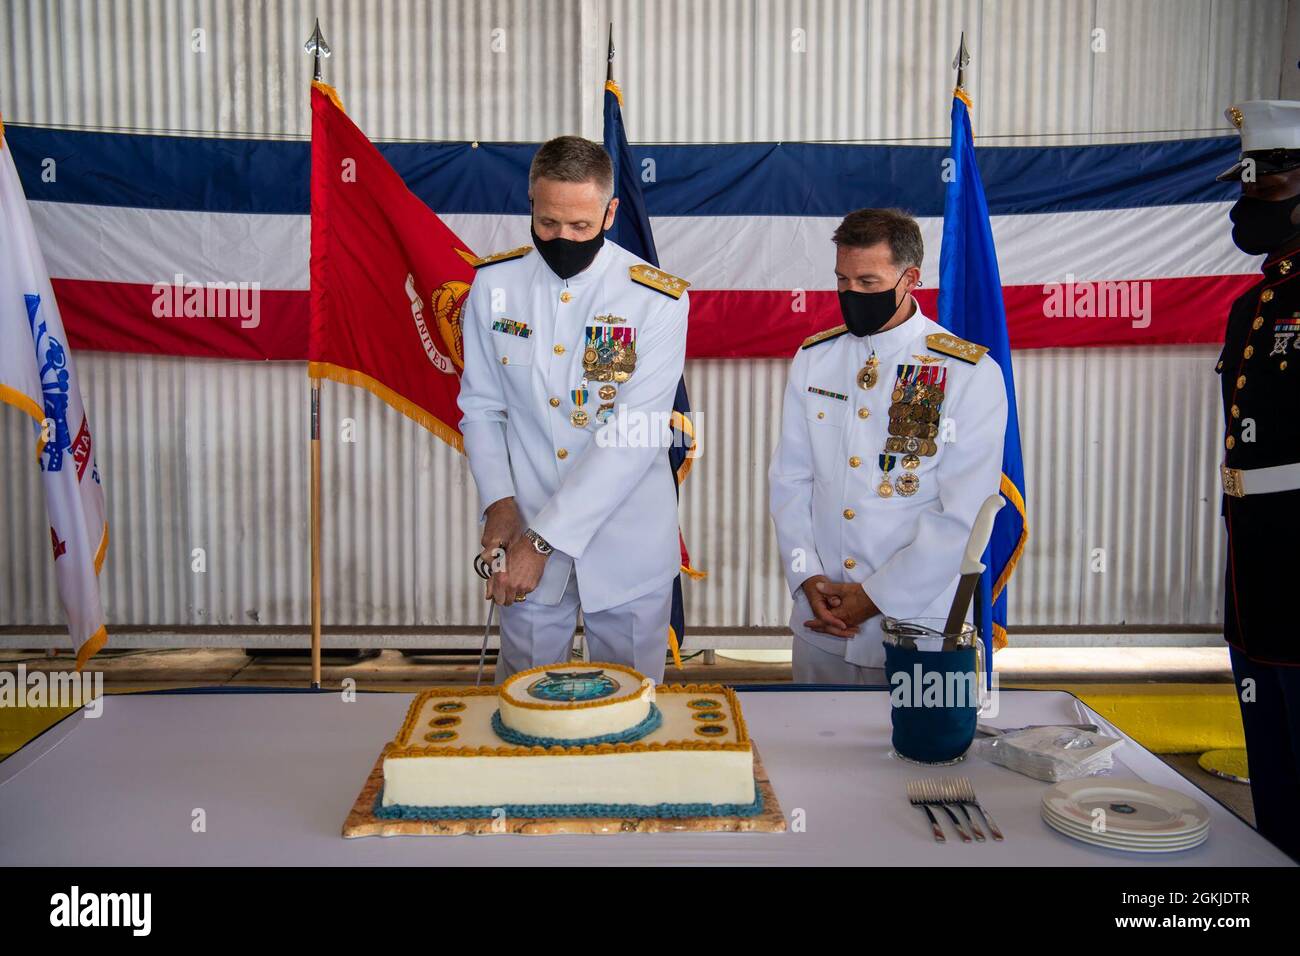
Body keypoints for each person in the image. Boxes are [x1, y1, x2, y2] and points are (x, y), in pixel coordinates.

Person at [457, 135, 689, 683]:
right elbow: (482, 408)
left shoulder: (656, 299)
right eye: (548, 224)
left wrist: (543, 540)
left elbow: (632, 436)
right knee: (525, 706)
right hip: (524, 533)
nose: (563, 238)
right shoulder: (494, 285)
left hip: (626, 542)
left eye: (581, 226)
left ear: (610, 212)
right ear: (531, 206)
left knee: (631, 710)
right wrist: (499, 504)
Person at [769, 208, 1007, 683]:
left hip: (915, 624)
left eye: (868, 282)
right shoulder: (815, 359)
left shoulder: (967, 373)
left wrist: (875, 596)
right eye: (842, 280)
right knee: (812, 751)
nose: (852, 295)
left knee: (912, 754)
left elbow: (963, 514)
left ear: (910, 278)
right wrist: (806, 578)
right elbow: (791, 481)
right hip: (822, 623)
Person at [1215, 99, 1300, 861]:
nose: (1248, 209)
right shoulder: (1253, 305)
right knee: (1271, 767)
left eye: (1265, 189)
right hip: (1254, 565)